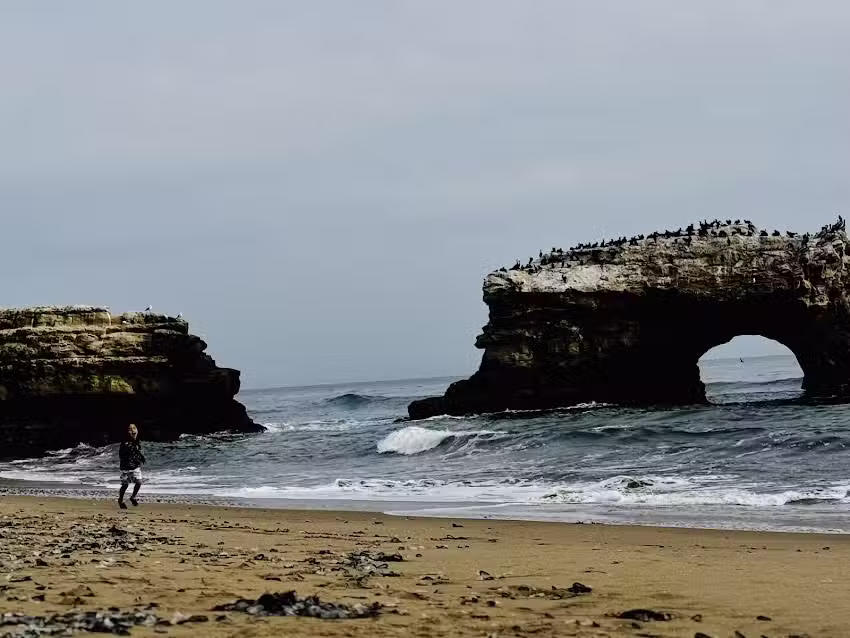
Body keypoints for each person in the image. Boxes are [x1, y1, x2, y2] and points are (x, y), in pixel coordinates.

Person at [118, 423, 146, 509]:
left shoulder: (138, 441)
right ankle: (120, 500)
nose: (133, 431)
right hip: (125, 467)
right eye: (130, 429)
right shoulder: (125, 443)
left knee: (139, 482)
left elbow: (138, 452)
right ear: (127, 432)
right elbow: (121, 455)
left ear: (137, 430)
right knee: (125, 485)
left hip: (135, 466)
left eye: (134, 428)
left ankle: (133, 497)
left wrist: (141, 458)